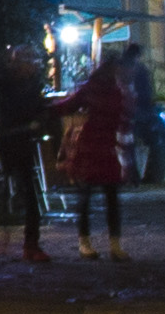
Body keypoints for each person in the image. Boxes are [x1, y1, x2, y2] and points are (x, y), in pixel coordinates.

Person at [0, 31, 57, 256]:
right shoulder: (10, 84)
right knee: (18, 190)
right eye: (31, 62)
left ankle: (27, 242)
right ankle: (20, 241)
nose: (34, 66)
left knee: (23, 190)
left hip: (20, 139)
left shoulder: (25, 83)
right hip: (13, 139)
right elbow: (18, 108)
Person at [58, 49, 140, 257]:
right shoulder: (101, 88)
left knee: (106, 195)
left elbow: (70, 106)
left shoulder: (115, 89)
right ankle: (92, 243)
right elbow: (70, 105)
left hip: (105, 145)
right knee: (92, 195)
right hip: (94, 145)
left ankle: (107, 245)